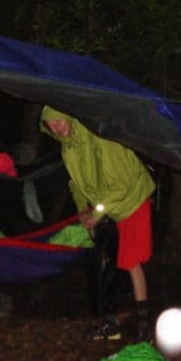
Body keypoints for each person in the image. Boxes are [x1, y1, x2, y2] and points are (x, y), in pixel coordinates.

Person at [40, 105, 155, 341]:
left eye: (59, 121)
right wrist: (83, 209)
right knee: (106, 261)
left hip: (131, 199)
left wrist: (98, 213)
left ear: (69, 117)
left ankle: (144, 328)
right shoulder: (68, 149)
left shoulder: (98, 137)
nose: (57, 128)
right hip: (108, 206)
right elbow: (75, 184)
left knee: (130, 262)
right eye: (51, 125)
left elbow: (121, 184)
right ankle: (112, 322)